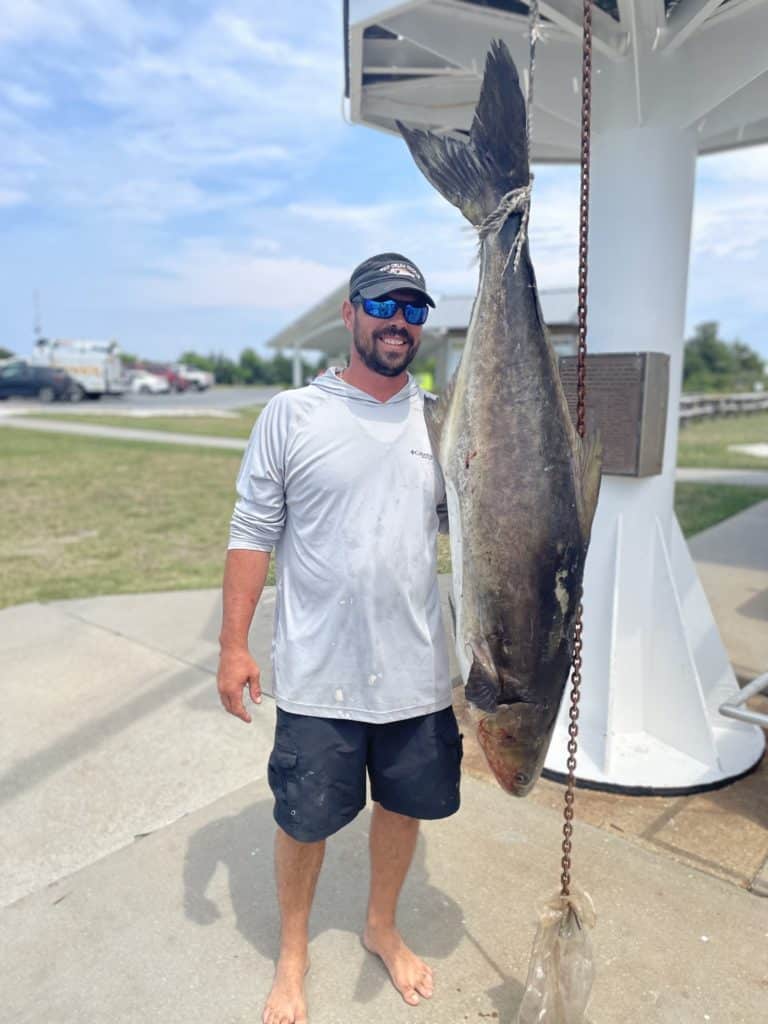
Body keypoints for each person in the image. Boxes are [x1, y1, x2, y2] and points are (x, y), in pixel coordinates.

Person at [217, 252, 461, 1024]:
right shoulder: (292, 414)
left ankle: (380, 925)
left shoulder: (439, 420)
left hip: (417, 668)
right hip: (322, 672)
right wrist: (233, 645)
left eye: (413, 310)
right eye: (383, 304)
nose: (399, 321)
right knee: (306, 817)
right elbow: (253, 531)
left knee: (403, 805)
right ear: (350, 314)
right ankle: (294, 951)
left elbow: (477, 523)